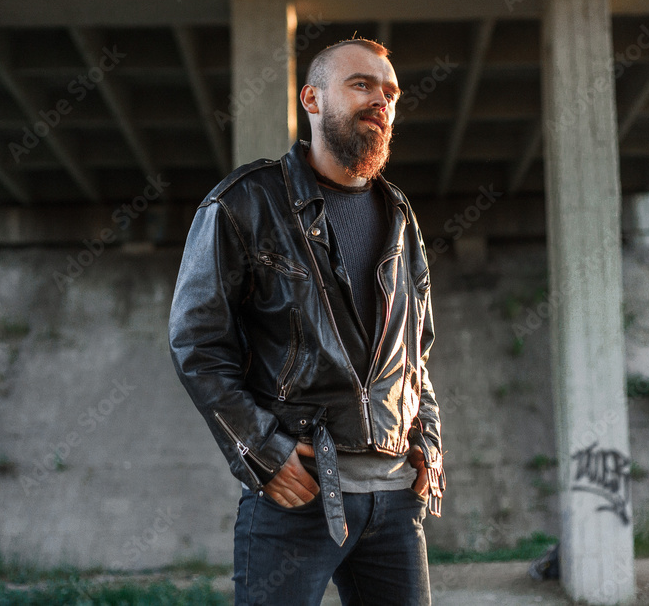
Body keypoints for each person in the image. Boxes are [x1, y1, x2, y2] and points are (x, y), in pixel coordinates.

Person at [169, 38, 444, 605]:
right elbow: (197, 343)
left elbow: (416, 351)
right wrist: (260, 449)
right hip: (297, 495)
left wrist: (428, 440)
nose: (381, 101)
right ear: (312, 99)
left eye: (391, 93)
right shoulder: (244, 203)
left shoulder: (401, 216)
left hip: (395, 500)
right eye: (361, 85)